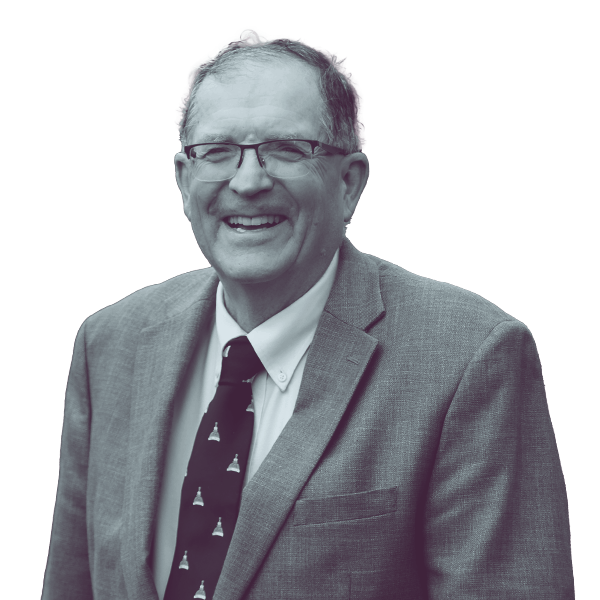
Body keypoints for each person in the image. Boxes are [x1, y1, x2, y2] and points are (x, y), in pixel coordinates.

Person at [43, 30, 574, 600]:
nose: (247, 181)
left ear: (348, 184)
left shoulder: (470, 356)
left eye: (287, 149)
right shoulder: (109, 344)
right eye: (217, 151)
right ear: (182, 180)